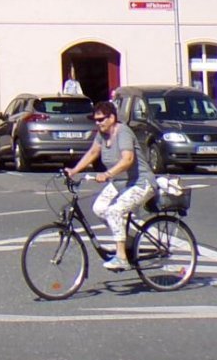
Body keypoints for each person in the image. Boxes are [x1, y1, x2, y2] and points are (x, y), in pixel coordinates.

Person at [65, 98, 152, 271]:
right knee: (99, 208)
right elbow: (93, 152)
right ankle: (128, 243)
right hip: (120, 183)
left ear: (112, 118)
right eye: (95, 120)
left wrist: (108, 174)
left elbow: (128, 159)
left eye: (101, 119)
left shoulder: (123, 132)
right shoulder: (101, 135)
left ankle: (121, 258)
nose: (98, 123)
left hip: (140, 182)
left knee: (114, 211)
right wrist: (73, 170)